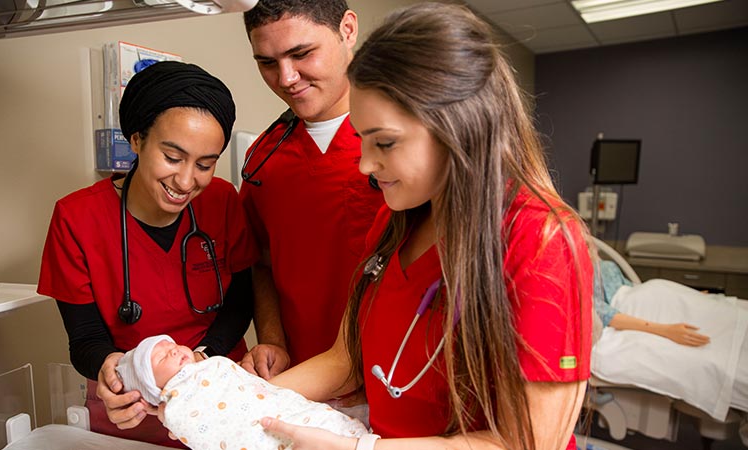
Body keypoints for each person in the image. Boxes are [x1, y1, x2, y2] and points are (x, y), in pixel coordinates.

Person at [258, 3, 595, 450]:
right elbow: (345, 360)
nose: (365, 165)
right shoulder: (396, 221)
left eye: (386, 143)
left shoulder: (542, 240)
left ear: (458, 127)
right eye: (362, 140)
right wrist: (223, 396)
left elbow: (529, 441)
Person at [38, 61, 259, 447]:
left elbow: (241, 299)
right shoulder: (76, 217)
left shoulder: (223, 200)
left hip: (219, 398)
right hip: (130, 407)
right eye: (173, 158)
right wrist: (112, 370)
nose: (187, 181)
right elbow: (85, 338)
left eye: (205, 164)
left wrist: (203, 363)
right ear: (137, 139)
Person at [238, 0, 385, 379]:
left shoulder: (402, 141)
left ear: (347, 30)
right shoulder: (263, 161)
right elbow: (261, 261)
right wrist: (272, 339)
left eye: (301, 53)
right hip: (302, 379)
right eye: (267, 63)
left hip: (394, 375)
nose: (286, 78)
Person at [115, 335, 368, 450]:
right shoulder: (176, 404)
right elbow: (196, 427)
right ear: (154, 388)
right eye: (160, 359)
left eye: (170, 344)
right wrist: (170, 414)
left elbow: (255, 391)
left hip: (274, 407)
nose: (172, 351)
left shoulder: (212, 367)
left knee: (306, 415)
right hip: (259, 433)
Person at [595, 260, 710, 346]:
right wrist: (666, 330)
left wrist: (686, 295)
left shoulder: (600, 264)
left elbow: (631, 287)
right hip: (637, 309)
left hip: (658, 298)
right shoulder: (578, 286)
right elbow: (608, 316)